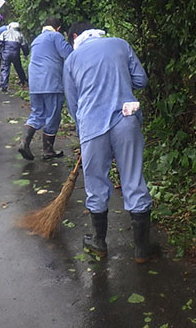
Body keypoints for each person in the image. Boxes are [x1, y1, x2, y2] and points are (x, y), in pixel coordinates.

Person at [63, 21, 159, 264]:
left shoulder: (72, 60)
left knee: (95, 182)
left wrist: (83, 127)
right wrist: (121, 82)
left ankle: (99, 244)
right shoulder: (120, 44)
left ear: (76, 37)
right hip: (126, 120)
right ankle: (141, 250)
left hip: (92, 126)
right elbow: (141, 80)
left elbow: (73, 104)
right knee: (134, 179)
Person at [19, 17, 73, 160]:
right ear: (58, 28)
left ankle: (24, 141)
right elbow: (68, 54)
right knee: (53, 115)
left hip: (35, 82)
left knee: (37, 113)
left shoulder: (37, 39)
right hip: (51, 82)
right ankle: (47, 150)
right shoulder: (55, 36)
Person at [0, 21, 29, 92]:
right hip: (15, 54)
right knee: (18, 67)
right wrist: (25, 54)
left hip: (6, 54)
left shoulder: (4, 33)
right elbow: (24, 45)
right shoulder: (20, 34)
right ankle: (23, 81)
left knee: (5, 68)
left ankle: (4, 85)